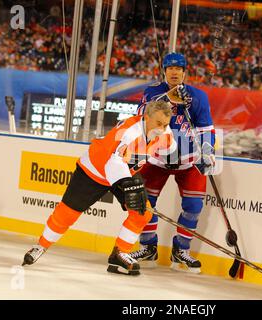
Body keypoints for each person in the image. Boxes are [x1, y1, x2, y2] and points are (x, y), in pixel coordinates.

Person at [22, 100, 175, 276]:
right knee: (66, 214)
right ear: (146, 117)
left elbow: (172, 148)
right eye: (158, 123)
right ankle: (41, 246)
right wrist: (129, 186)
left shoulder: (164, 132)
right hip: (94, 170)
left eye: (165, 124)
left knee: (142, 212)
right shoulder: (129, 132)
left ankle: (119, 255)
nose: (162, 128)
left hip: (126, 171)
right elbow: (113, 163)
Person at [131, 52, 216, 274]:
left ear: (185, 72)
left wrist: (208, 152)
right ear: (165, 71)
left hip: (188, 161)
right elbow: (140, 115)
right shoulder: (153, 92)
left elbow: (205, 128)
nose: (174, 71)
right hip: (157, 159)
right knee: (143, 203)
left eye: (179, 68)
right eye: (170, 68)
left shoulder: (198, 96)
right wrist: (167, 98)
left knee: (193, 208)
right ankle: (148, 246)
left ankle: (181, 251)